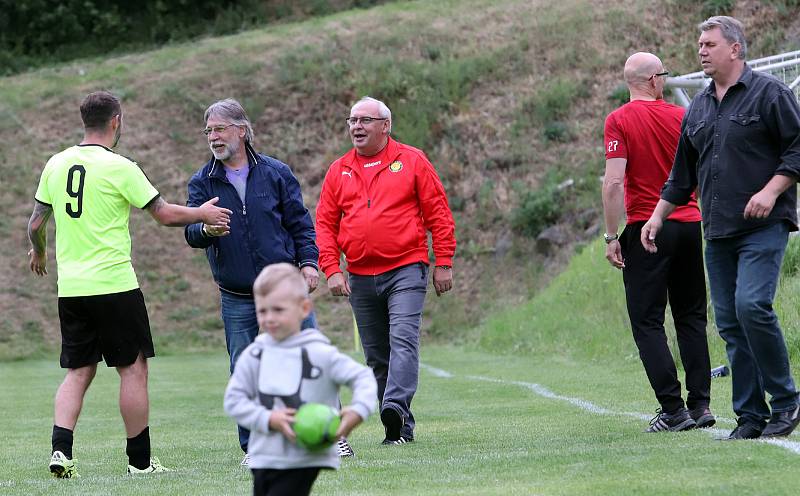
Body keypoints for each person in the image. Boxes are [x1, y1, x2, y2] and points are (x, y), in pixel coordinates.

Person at [27, 90, 232, 478]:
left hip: (71, 290)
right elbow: (165, 214)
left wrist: (38, 252)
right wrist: (202, 212)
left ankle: (61, 451)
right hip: (115, 285)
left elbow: (36, 223)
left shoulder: (56, 163)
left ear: (83, 120)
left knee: (77, 371)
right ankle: (139, 462)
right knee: (133, 370)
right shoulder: (119, 166)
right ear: (116, 121)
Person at [642, 16, 800, 439]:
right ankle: (750, 416)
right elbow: (681, 174)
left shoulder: (771, 95)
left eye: (709, 44)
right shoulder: (698, 107)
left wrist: (771, 191)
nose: (701, 50)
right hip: (717, 230)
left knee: (752, 306)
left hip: (764, 225)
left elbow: (797, 149)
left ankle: (786, 401)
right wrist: (657, 216)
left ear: (734, 48)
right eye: (699, 44)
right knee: (729, 322)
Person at [183, 98, 347, 461]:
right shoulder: (202, 181)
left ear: (242, 130)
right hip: (237, 294)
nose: (213, 136)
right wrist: (206, 229)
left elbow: (300, 223)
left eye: (220, 128)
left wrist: (308, 263)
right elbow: (191, 234)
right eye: (208, 130)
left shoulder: (275, 173)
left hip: (285, 288)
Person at [316, 96, 456, 444]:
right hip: (361, 276)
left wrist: (444, 262)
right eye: (352, 121)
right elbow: (324, 223)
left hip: (406, 268)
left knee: (403, 340)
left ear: (385, 126)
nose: (357, 127)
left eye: (365, 121)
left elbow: (438, 213)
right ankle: (399, 429)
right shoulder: (339, 169)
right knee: (377, 356)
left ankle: (393, 404)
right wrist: (331, 268)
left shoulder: (412, 160)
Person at [603, 52, 714, 432]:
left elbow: (615, 181)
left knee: (647, 320)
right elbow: (701, 169)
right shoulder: (682, 117)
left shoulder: (618, 120)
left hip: (646, 229)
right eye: (663, 75)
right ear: (653, 80)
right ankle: (700, 406)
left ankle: (672, 409)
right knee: (691, 316)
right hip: (689, 224)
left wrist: (610, 235)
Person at [224, 263, 377, 496]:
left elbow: (364, 378)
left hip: (303, 457)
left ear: (304, 308)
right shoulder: (254, 355)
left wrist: (358, 411)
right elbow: (233, 401)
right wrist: (267, 418)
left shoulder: (319, 353)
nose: (269, 318)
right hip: (263, 456)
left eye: (278, 310)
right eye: (262, 311)